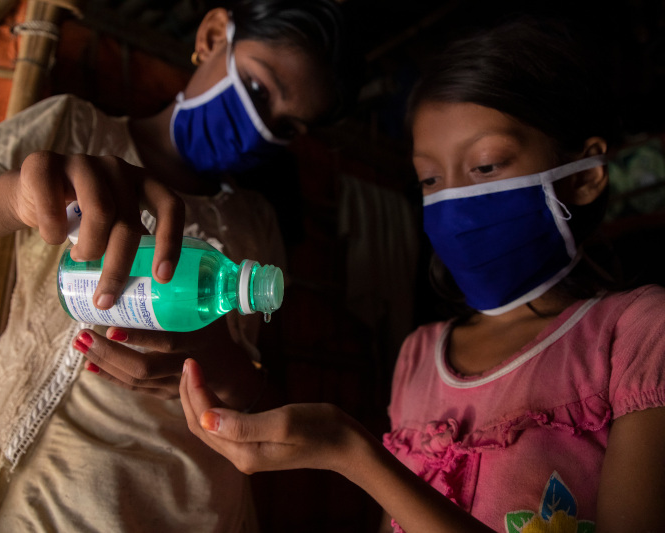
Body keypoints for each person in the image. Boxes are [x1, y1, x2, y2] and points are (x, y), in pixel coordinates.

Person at [0, 1, 362, 531]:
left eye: (285, 126)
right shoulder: (70, 130)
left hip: (202, 512)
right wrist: (10, 201)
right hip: (43, 506)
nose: (258, 129)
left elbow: (269, 403)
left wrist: (226, 370)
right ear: (216, 35)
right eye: (260, 91)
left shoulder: (256, 221)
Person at [179, 18, 665, 533]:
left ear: (584, 178)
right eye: (430, 178)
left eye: (485, 166)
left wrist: (353, 454)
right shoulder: (418, 355)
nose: (453, 198)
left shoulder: (636, 334)